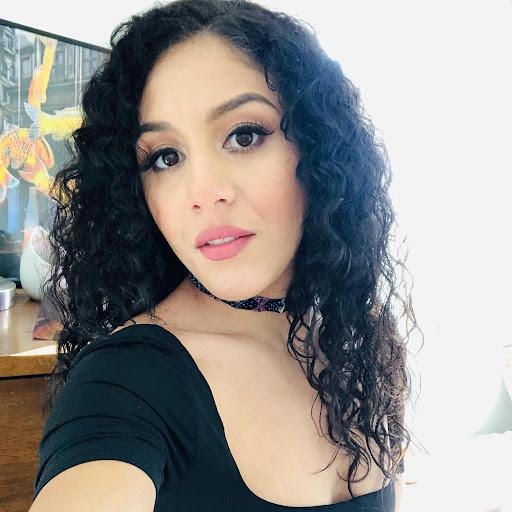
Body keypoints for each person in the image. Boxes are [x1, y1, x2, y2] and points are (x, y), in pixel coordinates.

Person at [29, 0, 417, 510]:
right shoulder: (127, 380)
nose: (204, 192)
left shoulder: (363, 341)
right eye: (165, 157)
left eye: (244, 136)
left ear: (319, 148)